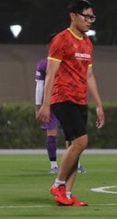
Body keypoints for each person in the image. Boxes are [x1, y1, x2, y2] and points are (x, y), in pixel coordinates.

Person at [37, 0, 105, 207]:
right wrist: (46, 104)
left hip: (80, 99)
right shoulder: (61, 40)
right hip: (63, 98)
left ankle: (66, 195)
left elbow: (89, 76)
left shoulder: (87, 43)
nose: (89, 20)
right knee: (81, 142)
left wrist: (99, 104)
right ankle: (58, 184)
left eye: (92, 17)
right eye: (86, 16)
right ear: (73, 16)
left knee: (74, 146)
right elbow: (50, 74)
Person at [35, 35, 86, 174]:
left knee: (56, 133)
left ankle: (55, 166)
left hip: (54, 102)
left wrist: (38, 106)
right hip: (63, 101)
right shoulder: (65, 62)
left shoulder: (43, 63)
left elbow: (39, 87)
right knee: (71, 134)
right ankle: (73, 164)